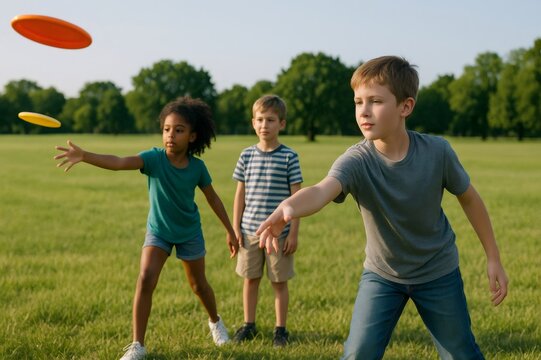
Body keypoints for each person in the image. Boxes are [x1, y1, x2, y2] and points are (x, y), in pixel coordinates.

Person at [256, 56, 508, 359]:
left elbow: (470, 198)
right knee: (358, 354)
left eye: (375, 101)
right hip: (383, 275)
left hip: (438, 272)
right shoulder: (356, 160)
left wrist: (493, 257)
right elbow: (321, 190)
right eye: (358, 101)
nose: (363, 111)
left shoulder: (437, 152)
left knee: (462, 355)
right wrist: (287, 208)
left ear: (405, 107)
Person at [54, 96, 238, 360]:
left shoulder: (197, 168)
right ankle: (137, 345)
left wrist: (230, 231)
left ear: (193, 136)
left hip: (189, 233)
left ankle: (215, 322)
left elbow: (213, 198)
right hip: (159, 231)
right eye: (166, 129)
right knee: (145, 279)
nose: (170, 135)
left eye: (179, 130)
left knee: (199, 286)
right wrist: (85, 156)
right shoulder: (153, 159)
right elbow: (119, 162)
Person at [231, 95, 303, 347]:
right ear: (253, 123)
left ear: (281, 124)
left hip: (278, 236)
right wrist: (234, 227)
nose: (265, 125)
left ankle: (280, 330)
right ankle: (248, 324)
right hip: (249, 231)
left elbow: (297, 198)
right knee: (250, 279)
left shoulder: (289, 157)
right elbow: (240, 194)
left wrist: (293, 233)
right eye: (260, 120)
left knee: (278, 282)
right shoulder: (246, 155)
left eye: (270, 120)